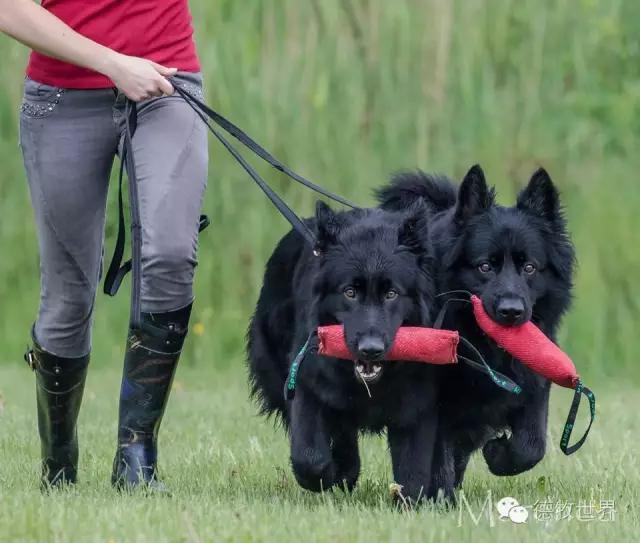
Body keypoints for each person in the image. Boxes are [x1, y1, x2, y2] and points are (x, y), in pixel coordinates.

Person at [0, 0, 208, 490]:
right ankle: (59, 459)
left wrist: (135, 67)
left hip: (166, 82)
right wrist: (113, 64)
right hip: (62, 97)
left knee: (171, 255)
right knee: (68, 298)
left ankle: (137, 455)